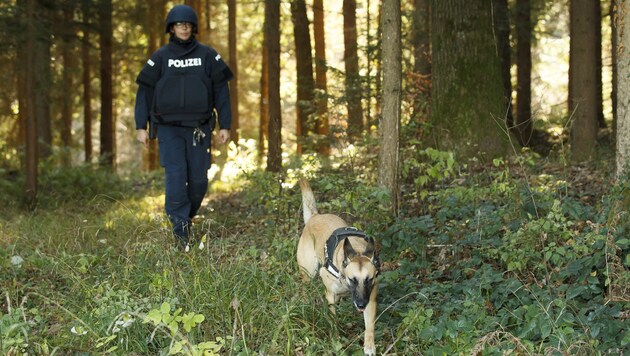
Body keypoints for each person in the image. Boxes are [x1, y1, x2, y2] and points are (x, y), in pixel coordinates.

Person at [134, 4, 233, 250]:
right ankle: (180, 233)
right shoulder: (160, 57)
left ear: (193, 27)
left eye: (187, 24)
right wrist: (141, 126)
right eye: (179, 24)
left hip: (198, 127)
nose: (184, 28)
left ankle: (185, 216)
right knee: (177, 177)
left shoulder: (208, 55)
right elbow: (144, 92)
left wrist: (225, 124)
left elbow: (222, 90)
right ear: (172, 27)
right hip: (168, 128)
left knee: (199, 180)